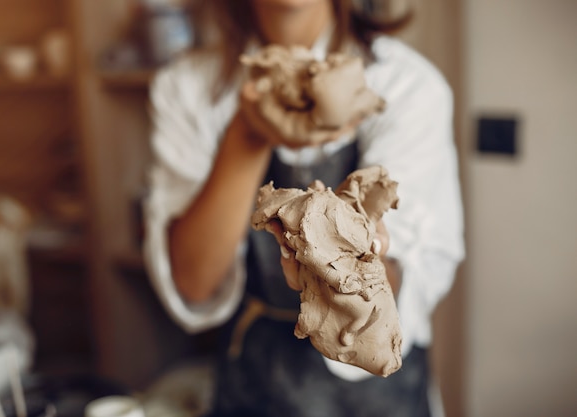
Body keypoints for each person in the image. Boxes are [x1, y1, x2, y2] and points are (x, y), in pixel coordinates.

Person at [143, 0, 465, 416]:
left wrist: (347, 258)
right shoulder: (186, 87)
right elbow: (194, 282)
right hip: (251, 383)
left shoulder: (405, 84)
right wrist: (247, 134)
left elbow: (400, 278)